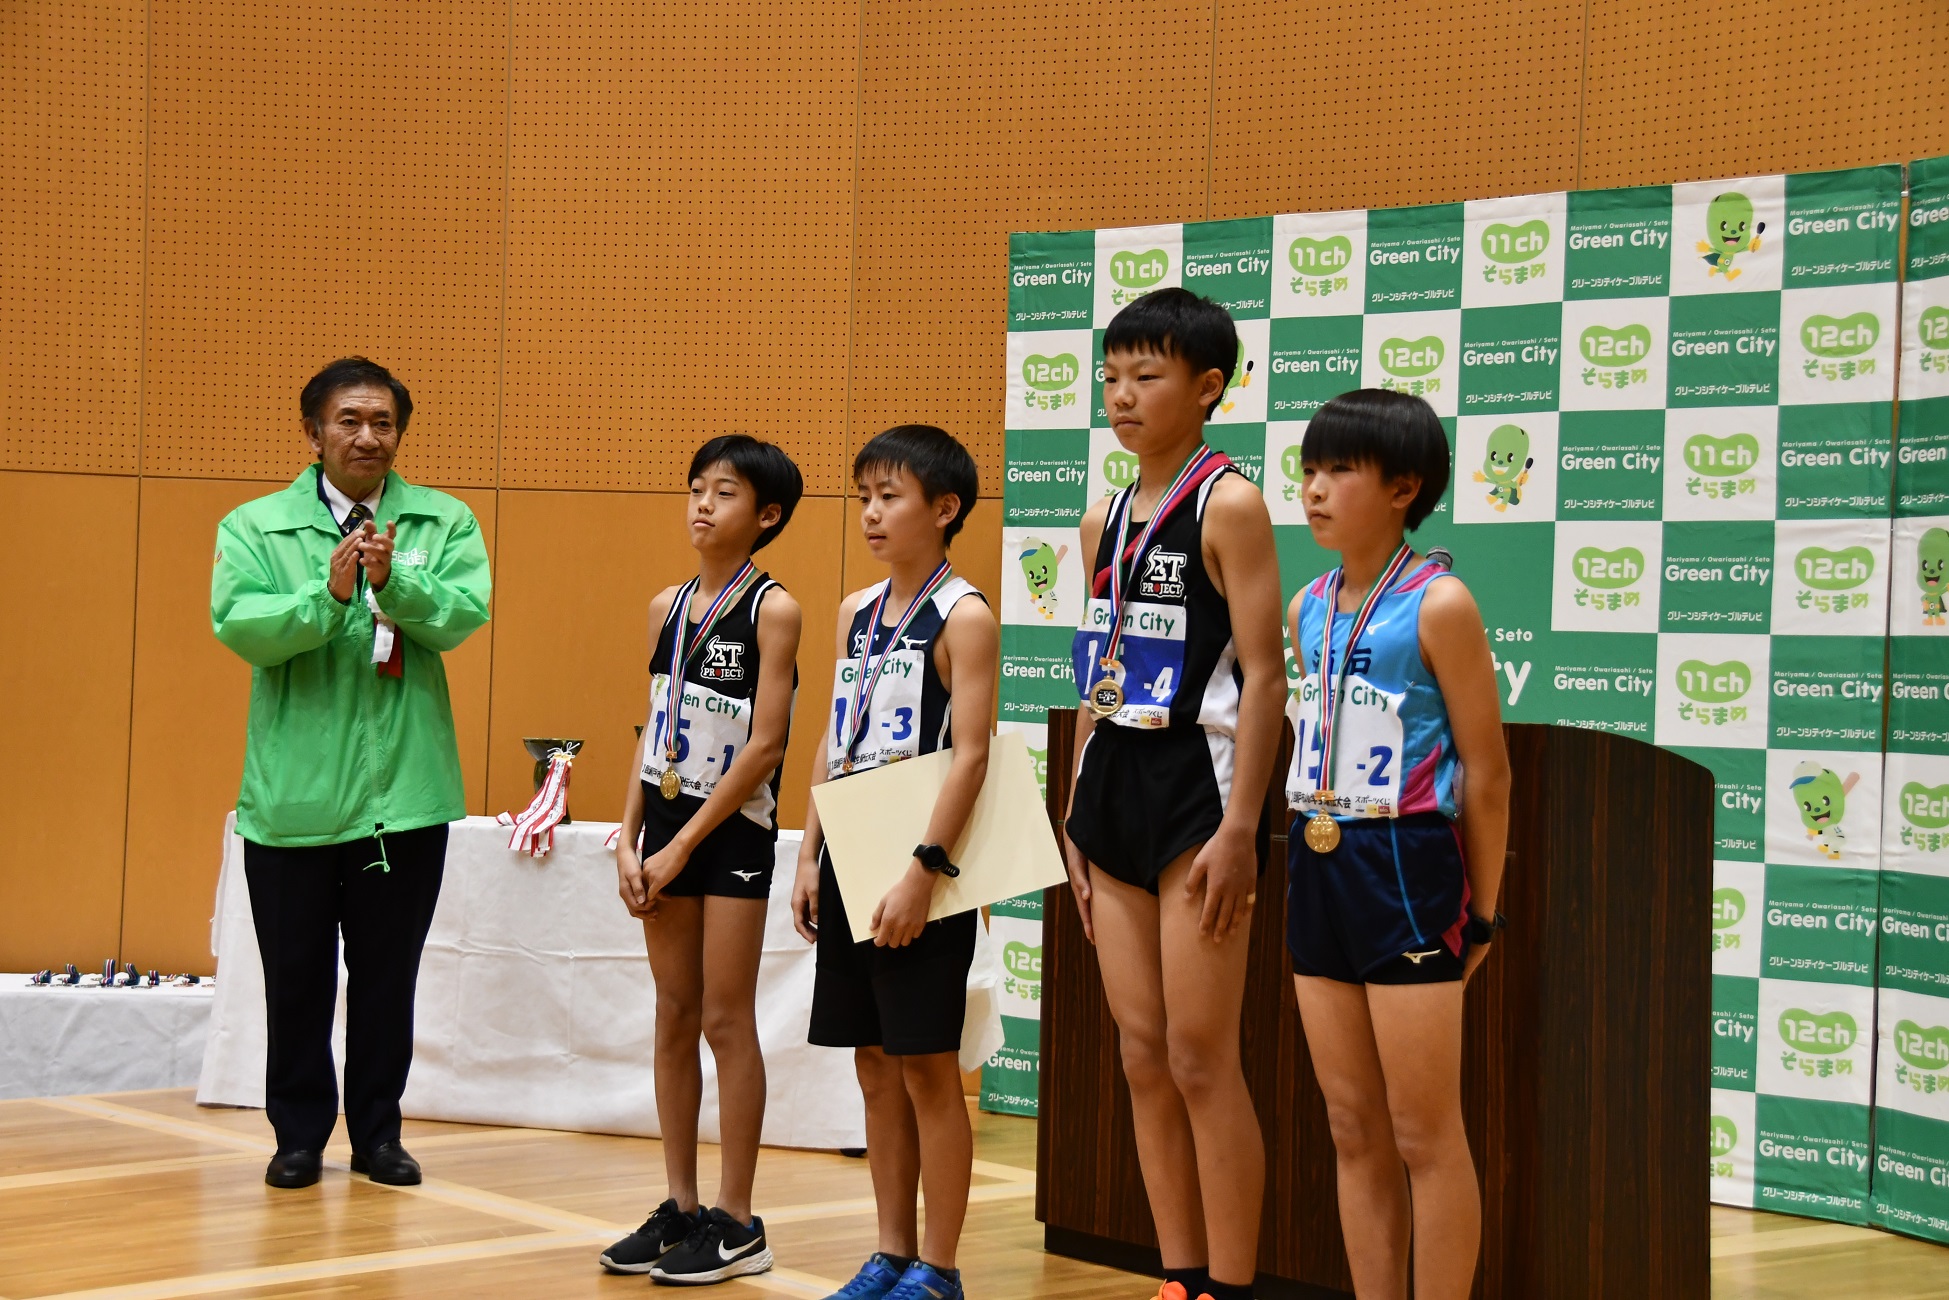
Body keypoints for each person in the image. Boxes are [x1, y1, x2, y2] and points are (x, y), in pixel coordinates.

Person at [210, 356, 492, 1190]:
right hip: (291, 798)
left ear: (399, 433)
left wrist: (391, 578)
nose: (368, 437)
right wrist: (325, 599)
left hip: (401, 799)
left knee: (386, 980)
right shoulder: (254, 525)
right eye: (349, 421)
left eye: (383, 424)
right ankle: (297, 1137)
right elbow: (239, 625)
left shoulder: (442, 521)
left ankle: (378, 1135)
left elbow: (462, 614)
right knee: (294, 981)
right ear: (314, 432)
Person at [1061, 288, 1285, 1300]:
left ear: (1207, 388)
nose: (1121, 394)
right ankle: (1178, 1276)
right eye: (1110, 375)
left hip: (1199, 795)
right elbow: (1096, 669)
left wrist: (1244, 826)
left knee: (1199, 1055)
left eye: (1144, 376)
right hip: (1111, 782)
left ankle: (1229, 1286)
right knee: (1141, 1054)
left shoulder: (1228, 503)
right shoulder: (1098, 513)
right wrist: (1073, 808)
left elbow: (1265, 675)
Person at [1284, 389, 1509, 1299]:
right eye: (1308, 469)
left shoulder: (1439, 602)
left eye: (1340, 470)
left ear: (1403, 487)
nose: (1315, 489)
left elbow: (1486, 774)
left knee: (1423, 1131)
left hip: (1406, 867)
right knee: (1350, 1126)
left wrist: (1482, 914)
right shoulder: (1306, 604)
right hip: (1314, 854)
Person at [790, 426, 999, 1300]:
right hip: (848, 849)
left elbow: (973, 754)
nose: (872, 513)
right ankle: (890, 1251)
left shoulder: (966, 615)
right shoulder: (853, 611)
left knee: (925, 1064)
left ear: (943, 509)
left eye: (891, 496)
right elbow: (834, 740)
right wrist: (807, 850)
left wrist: (925, 870)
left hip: (920, 862)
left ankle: (940, 1268)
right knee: (872, 1062)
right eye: (865, 495)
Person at [599, 435, 805, 1284]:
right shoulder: (665, 608)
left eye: (723, 494)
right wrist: (627, 834)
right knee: (672, 1014)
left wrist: (684, 842)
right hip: (665, 823)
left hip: (730, 835)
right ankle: (680, 1207)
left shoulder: (772, 609)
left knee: (726, 1018)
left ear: (765, 516)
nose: (701, 506)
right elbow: (653, 727)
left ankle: (737, 1220)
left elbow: (764, 746)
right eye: (694, 489)